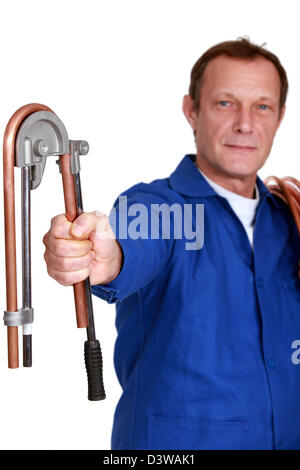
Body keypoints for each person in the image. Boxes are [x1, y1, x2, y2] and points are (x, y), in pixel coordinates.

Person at [43, 38, 300, 450]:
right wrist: (105, 257)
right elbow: (133, 247)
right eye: (225, 103)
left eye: (263, 106)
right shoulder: (159, 209)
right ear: (191, 111)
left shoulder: (291, 223)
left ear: (280, 117)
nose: (246, 124)